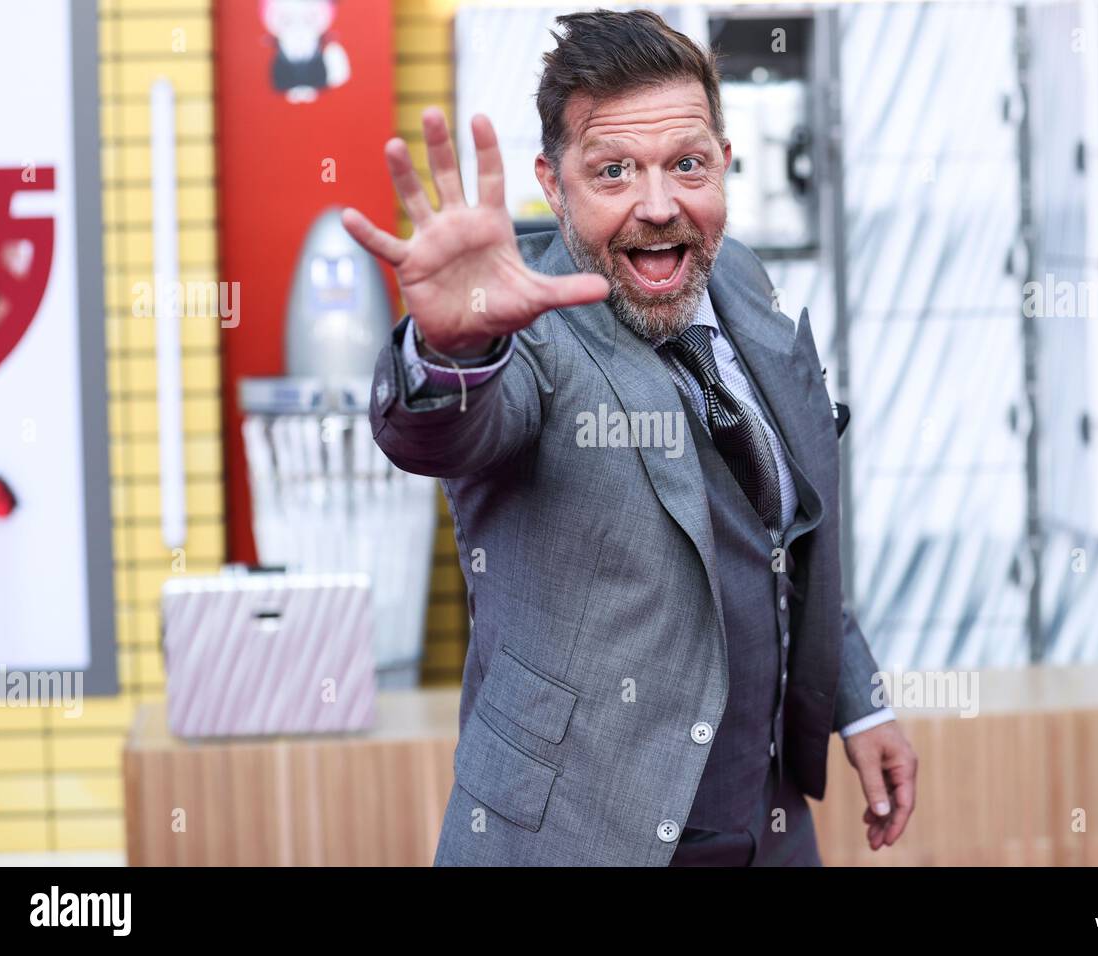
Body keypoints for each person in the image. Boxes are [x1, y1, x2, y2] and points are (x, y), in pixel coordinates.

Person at [342, 8, 917, 866]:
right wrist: (451, 350)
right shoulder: (527, 335)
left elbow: (786, 536)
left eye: (685, 164)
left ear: (723, 160)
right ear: (553, 180)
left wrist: (858, 703)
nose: (658, 207)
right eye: (612, 171)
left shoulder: (743, 279)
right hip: (575, 840)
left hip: (765, 831)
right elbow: (441, 430)